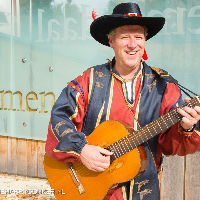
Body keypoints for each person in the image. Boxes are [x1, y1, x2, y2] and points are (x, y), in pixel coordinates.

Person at [45, 2, 200, 200]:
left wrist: (186, 128)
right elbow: (60, 116)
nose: (132, 44)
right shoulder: (90, 79)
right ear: (111, 41)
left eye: (138, 37)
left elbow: (172, 146)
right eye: (125, 37)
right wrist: (82, 149)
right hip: (94, 190)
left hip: (145, 192)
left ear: (144, 41)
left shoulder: (164, 86)